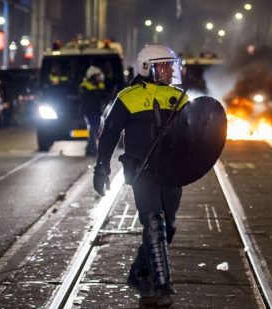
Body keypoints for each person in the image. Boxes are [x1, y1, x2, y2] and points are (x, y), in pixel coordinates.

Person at [93, 44, 189, 307]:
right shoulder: (128, 97)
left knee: (167, 226)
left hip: (170, 172)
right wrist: (101, 167)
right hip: (141, 170)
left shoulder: (180, 97)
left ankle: (139, 272)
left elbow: (191, 136)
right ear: (147, 67)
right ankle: (163, 287)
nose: (170, 71)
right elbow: (110, 133)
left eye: (172, 66)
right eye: (164, 66)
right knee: (154, 221)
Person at [80, 66, 107, 156]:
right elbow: (87, 100)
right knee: (94, 130)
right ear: (92, 76)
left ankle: (90, 149)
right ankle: (92, 150)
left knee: (94, 130)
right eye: (97, 76)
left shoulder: (100, 85)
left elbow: (103, 97)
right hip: (89, 111)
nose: (99, 78)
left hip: (98, 111)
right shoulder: (85, 86)